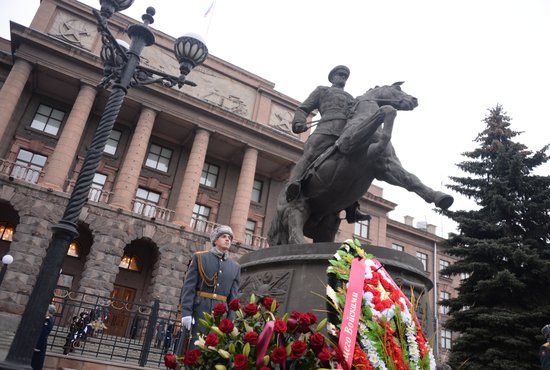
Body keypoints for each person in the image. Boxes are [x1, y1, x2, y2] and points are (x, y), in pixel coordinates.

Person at [287, 65, 370, 223]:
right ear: (332, 77)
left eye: (345, 75)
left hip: (344, 134)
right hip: (325, 130)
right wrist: (299, 121)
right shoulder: (322, 91)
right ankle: (294, 184)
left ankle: (353, 207)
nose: (342, 77)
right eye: (340, 74)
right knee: (309, 155)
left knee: (354, 165)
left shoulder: (351, 98)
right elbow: (303, 108)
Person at [180, 225, 240, 350]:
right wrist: (186, 312)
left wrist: (230, 319)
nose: (227, 239)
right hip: (200, 309)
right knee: (194, 347)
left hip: (221, 314)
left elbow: (233, 298)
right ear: (215, 240)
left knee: (214, 350)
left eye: (229, 238)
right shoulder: (200, 257)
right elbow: (189, 287)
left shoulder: (235, 267)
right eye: (224, 236)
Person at [31, 304, 56, 370]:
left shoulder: (48, 320)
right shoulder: (47, 319)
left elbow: (43, 334)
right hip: (40, 342)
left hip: (40, 344)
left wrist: (37, 346)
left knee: (36, 363)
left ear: (48, 311)